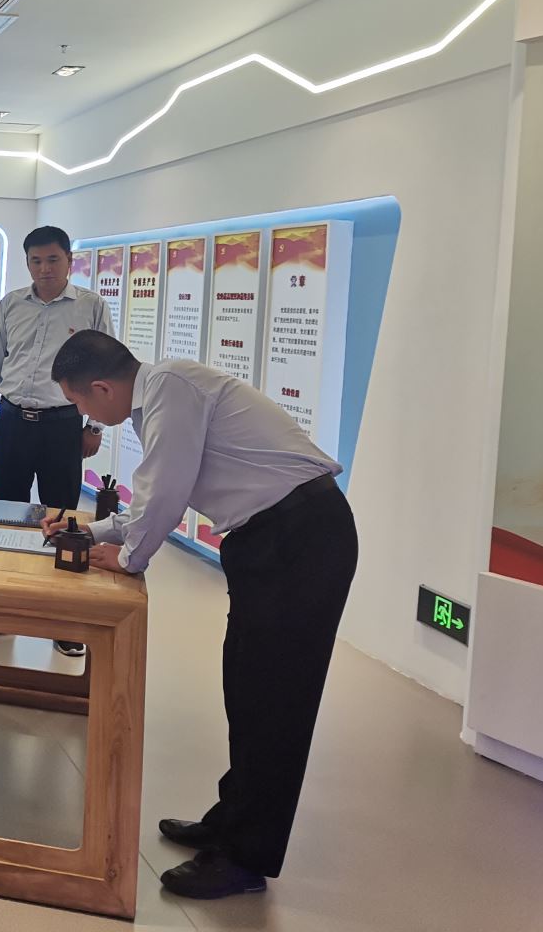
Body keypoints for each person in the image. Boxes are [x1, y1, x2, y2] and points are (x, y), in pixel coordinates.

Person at [46, 331, 356, 901]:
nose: (86, 416)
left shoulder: (170, 386)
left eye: (80, 402)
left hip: (299, 535)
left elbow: (166, 490)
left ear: (101, 387)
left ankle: (244, 858)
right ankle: (230, 821)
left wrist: (130, 559)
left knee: (276, 702)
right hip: (272, 537)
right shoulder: (160, 397)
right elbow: (155, 497)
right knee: (247, 688)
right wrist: (89, 532)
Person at [0, 226, 109, 656]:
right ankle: (0, 611)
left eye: (53, 259)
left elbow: (106, 369)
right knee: (7, 517)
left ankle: (64, 620)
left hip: (62, 426)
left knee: (64, 521)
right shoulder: (11, 303)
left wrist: (94, 427)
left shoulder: (90, 306)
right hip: (12, 421)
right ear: (27, 263)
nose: (45, 268)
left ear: (69, 260)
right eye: (36, 261)